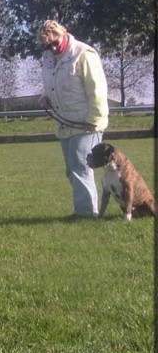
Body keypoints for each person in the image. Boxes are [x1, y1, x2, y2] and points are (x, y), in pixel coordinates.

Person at [38, 20, 109, 219]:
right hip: (64, 122)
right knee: (72, 170)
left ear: (64, 33)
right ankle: (84, 210)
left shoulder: (84, 54)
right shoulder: (49, 58)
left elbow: (97, 90)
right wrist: (47, 98)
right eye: (48, 45)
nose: (53, 47)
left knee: (81, 166)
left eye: (55, 41)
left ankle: (86, 214)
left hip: (86, 122)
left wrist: (94, 119)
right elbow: (53, 85)